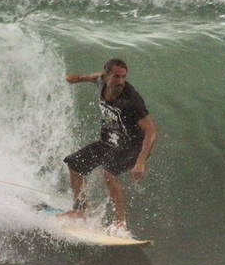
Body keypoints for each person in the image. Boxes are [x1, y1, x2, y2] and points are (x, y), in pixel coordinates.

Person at [63, 58, 158, 230]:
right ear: (107, 76)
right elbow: (94, 77)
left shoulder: (131, 100)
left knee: (109, 172)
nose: (120, 81)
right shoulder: (101, 81)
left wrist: (140, 162)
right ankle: (80, 211)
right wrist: (78, 78)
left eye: (123, 77)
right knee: (74, 163)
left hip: (133, 146)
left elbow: (151, 131)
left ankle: (120, 223)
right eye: (116, 77)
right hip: (110, 142)